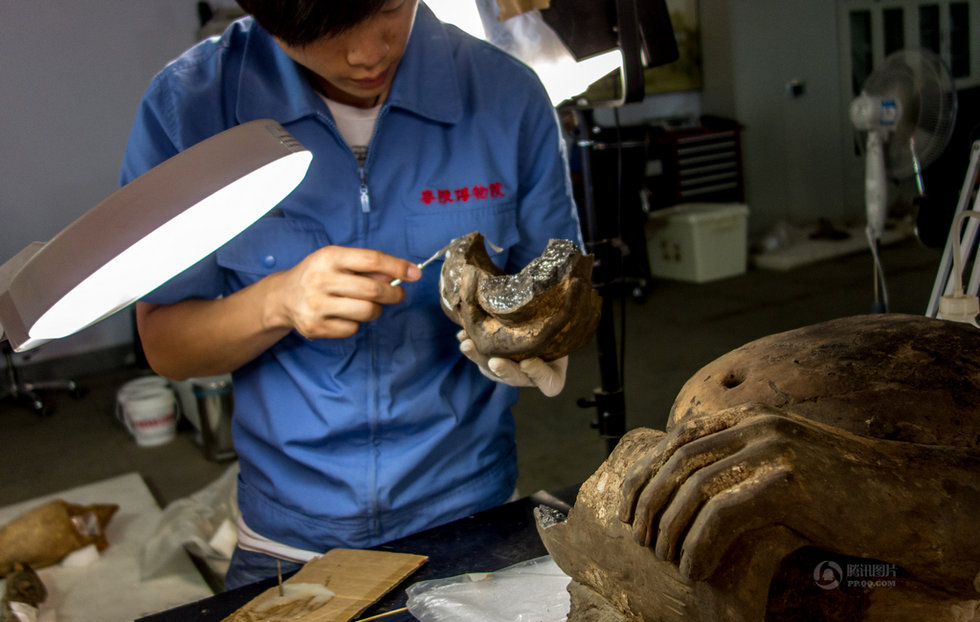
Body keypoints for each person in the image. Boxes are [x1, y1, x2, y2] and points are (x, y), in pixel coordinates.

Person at [120, 0, 582, 589]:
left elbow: (557, 280)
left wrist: (541, 339)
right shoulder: (189, 109)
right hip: (289, 535)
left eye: (390, 7)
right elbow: (167, 346)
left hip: (473, 510)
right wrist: (276, 303)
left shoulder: (506, 95)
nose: (368, 54)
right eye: (327, 29)